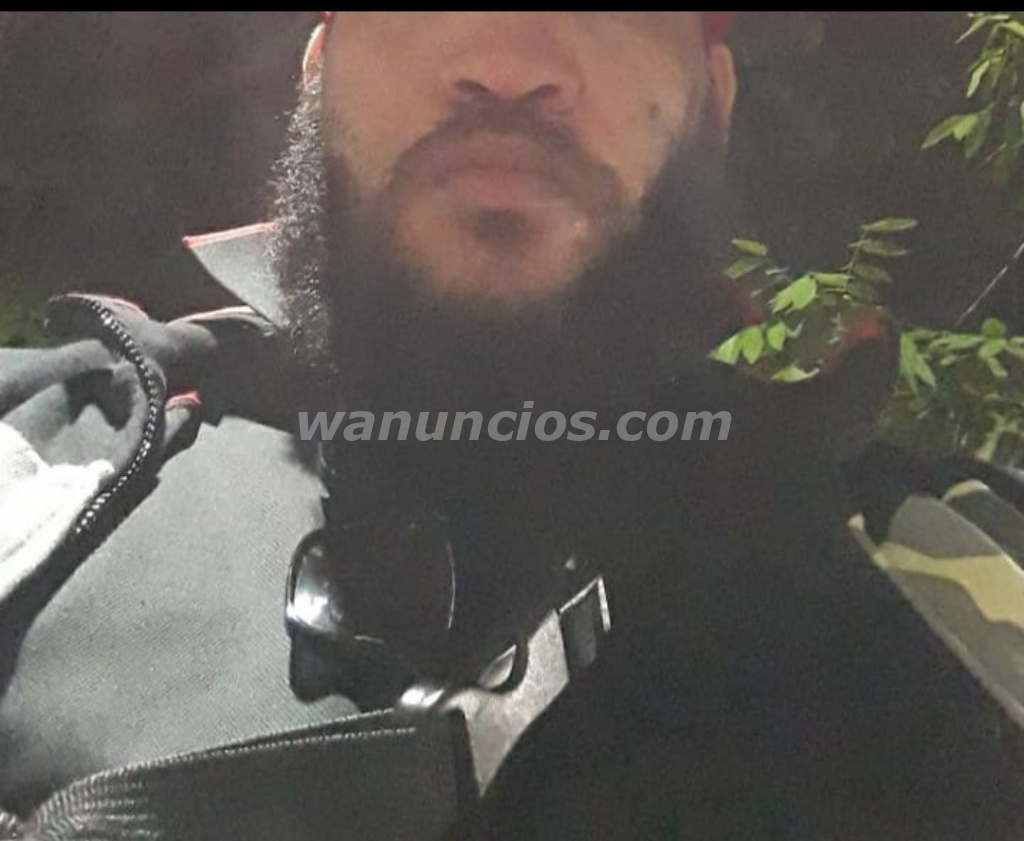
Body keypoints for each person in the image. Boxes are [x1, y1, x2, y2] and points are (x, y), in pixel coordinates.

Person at [0, 12, 1019, 840]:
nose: (506, 59)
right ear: (320, 76)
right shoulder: (36, 477)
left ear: (711, 101)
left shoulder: (964, 607)